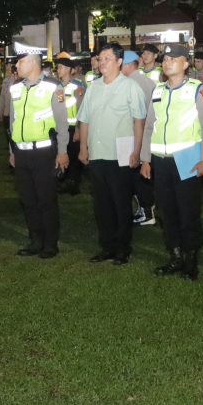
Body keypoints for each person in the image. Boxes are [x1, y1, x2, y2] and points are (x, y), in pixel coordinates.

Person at [139, 44, 203, 281]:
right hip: (160, 161)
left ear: (185, 64)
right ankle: (175, 256)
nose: (167, 62)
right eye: (165, 59)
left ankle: (190, 260)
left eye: (173, 59)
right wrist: (145, 159)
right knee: (166, 211)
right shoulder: (158, 90)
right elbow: (149, 127)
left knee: (188, 211)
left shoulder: (197, 89)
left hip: (187, 160)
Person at [78, 43, 146, 264]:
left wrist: (137, 150)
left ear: (119, 61)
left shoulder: (130, 87)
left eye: (107, 58)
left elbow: (139, 121)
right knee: (102, 204)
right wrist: (83, 147)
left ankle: (122, 248)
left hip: (120, 155)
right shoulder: (93, 87)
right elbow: (84, 119)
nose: (102, 62)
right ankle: (107, 246)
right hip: (97, 153)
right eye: (100, 58)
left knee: (120, 203)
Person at [5, 46, 70, 259]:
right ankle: (35, 240)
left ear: (32, 62)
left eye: (20, 61)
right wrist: (12, 150)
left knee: (46, 200)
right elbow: (13, 122)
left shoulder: (53, 86)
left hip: (44, 153)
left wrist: (62, 151)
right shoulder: (16, 88)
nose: (16, 65)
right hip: (21, 153)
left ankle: (50, 243)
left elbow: (62, 123)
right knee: (28, 200)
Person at [120, 50, 157, 226]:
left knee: (137, 176)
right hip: (146, 133)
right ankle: (146, 209)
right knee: (140, 174)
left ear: (127, 65)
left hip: (134, 133)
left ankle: (147, 211)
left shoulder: (130, 83)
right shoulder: (148, 81)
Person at [54, 54, 85, 194]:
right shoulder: (58, 87)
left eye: (60, 67)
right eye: (58, 68)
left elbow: (81, 108)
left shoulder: (77, 86)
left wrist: (78, 129)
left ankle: (73, 183)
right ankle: (64, 180)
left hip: (73, 128)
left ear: (68, 69)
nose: (58, 70)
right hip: (61, 127)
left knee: (73, 156)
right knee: (62, 153)